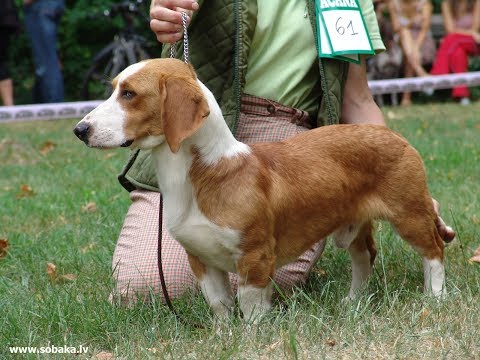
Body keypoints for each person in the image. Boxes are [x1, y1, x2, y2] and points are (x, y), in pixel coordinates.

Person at [110, 0, 452, 306]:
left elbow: (358, 99)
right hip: (191, 126)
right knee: (145, 288)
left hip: (285, 132)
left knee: (265, 267)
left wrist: (400, 184)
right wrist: (165, 13)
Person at [429, 0, 480, 105]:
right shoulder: (446, 4)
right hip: (454, 44)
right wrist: (468, 32)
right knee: (458, 53)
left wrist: (458, 33)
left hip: (474, 43)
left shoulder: (477, 2)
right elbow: (450, 30)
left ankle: (436, 77)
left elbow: (475, 28)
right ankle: (462, 96)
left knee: (450, 40)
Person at [388, 0, 437, 106]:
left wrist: (415, 47)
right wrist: (412, 21)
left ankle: (406, 98)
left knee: (409, 56)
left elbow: (424, 30)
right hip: (400, 42)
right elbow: (396, 28)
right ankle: (421, 74)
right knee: (404, 33)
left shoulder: (424, 3)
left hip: (422, 42)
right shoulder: (393, 4)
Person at [23, 0, 65, 103]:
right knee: (49, 59)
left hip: (39, 6)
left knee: (47, 64)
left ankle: (54, 108)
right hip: (52, 5)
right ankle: (41, 106)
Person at [0, 0, 20, 106]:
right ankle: (10, 108)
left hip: (3, 18)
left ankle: (10, 109)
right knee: (2, 63)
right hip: (5, 18)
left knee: (1, 63)